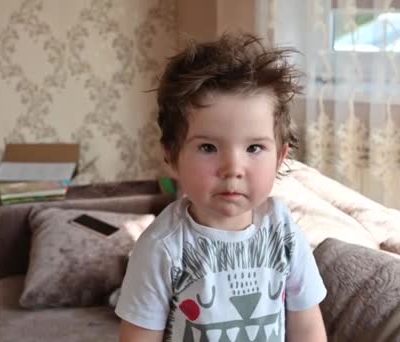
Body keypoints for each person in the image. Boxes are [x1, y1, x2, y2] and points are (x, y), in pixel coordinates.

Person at [115, 33, 327, 342]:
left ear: (280, 158)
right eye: (208, 148)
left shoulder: (283, 232)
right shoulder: (163, 247)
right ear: (171, 155)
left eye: (254, 148)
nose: (232, 169)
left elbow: (307, 326)